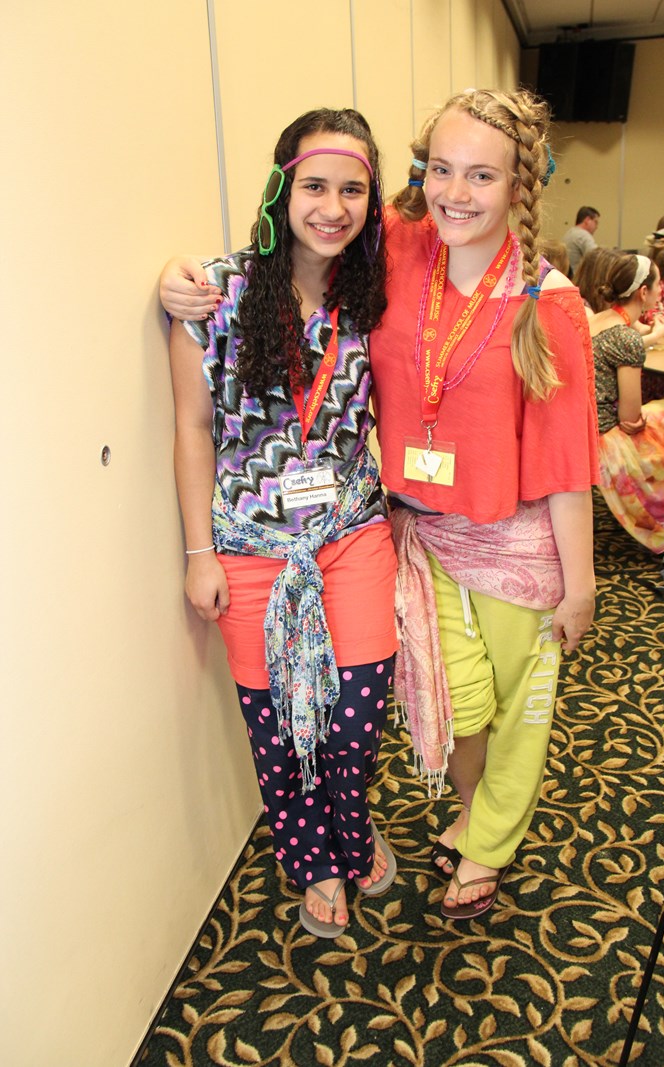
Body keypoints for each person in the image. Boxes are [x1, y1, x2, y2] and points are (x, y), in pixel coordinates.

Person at [161, 87, 599, 924]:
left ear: (518, 184)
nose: (456, 192)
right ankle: (364, 845)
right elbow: (198, 412)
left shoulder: (513, 299)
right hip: (370, 536)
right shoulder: (373, 257)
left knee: (454, 713)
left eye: (481, 175)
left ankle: (454, 837)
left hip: (468, 538)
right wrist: (175, 274)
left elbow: (566, 457)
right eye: (442, 170)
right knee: (419, 706)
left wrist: (580, 582)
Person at [167, 108, 400, 940]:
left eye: (352, 190)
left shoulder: (373, 294)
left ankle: (352, 825)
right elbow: (192, 427)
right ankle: (316, 861)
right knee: (275, 728)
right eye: (315, 186)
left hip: (351, 535)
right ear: (281, 188)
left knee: (353, 719)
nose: (332, 207)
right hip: (252, 545)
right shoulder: (215, 294)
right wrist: (199, 553)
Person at [590, 254, 664, 552]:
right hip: (606, 437)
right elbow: (630, 417)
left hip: (582, 426)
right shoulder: (625, 338)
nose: (660, 291)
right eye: (657, 286)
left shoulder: (597, 319)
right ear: (644, 292)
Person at [562, 206, 600, 273]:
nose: (597, 227)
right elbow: (599, 259)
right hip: (577, 277)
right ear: (587, 220)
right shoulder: (583, 235)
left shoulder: (569, 233)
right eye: (596, 222)